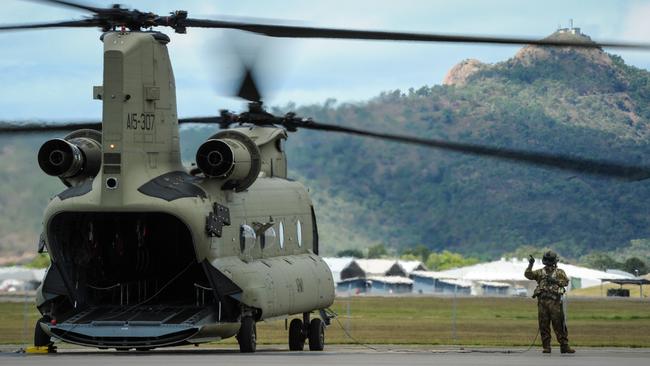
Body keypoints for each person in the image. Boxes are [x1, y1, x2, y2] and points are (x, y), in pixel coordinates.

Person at [524, 251, 575, 354]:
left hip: (555, 303)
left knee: (559, 325)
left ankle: (564, 346)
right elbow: (528, 274)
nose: (548, 264)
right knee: (544, 325)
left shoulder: (559, 272)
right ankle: (546, 347)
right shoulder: (540, 272)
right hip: (543, 303)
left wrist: (555, 281)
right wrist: (530, 264)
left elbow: (565, 282)